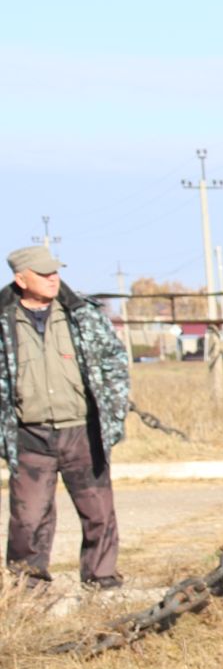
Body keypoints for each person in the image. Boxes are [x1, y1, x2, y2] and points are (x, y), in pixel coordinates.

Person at [1, 245, 131, 589]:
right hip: (29, 435)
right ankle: (28, 589)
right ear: (20, 278)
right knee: (28, 518)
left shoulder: (81, 313)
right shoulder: (3, 319)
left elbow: (114, 362)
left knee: (98, 513)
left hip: (82, 431)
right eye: (43, 274)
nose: (52, 278)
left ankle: (101, 580)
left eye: (54, 271)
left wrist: (113, 416)